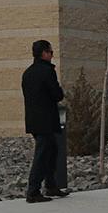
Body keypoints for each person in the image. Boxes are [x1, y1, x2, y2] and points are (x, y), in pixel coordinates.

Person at [21, 39, 67, 203]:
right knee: (42, 155)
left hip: (33, 120)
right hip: (46, 120)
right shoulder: (47, 71)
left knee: (51, 151)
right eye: (50, 52)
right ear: (44, 53)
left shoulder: (27, 73)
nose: (52, 55)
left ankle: (51, 185)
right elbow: (57, 95)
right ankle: (33, 191)